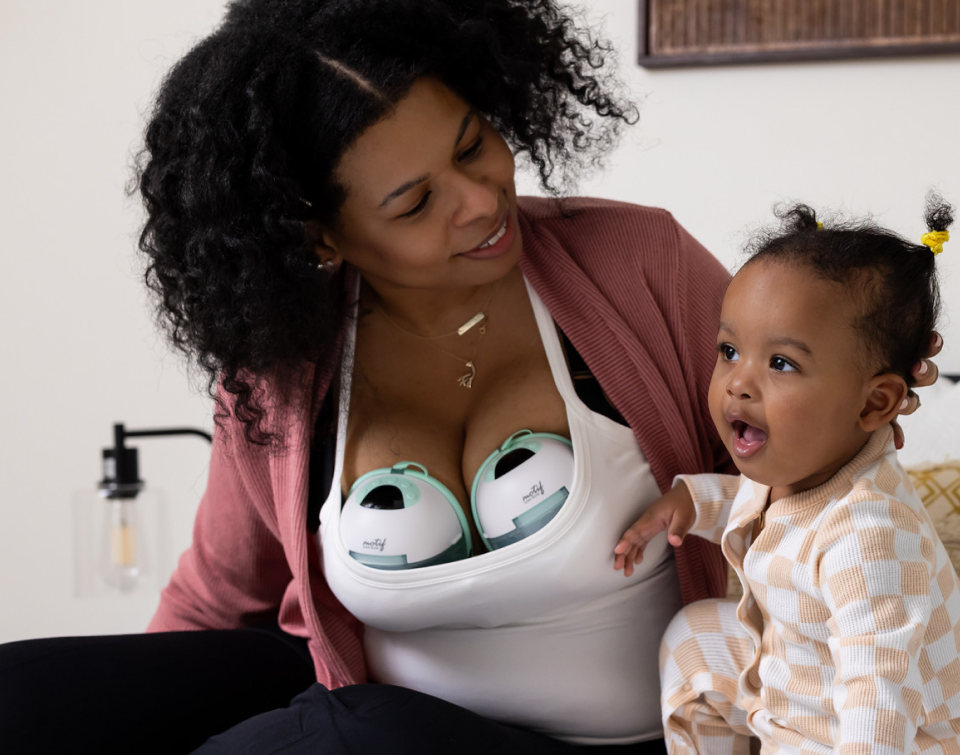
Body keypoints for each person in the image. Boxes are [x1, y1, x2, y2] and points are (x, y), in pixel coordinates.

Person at [0, 1, 937, 753]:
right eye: (415, 202)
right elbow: (218, 597)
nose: (483, 200)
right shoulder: (282, 360)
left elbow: (797, 435)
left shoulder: (636, 261)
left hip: (562, 733)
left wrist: (867, 390)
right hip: (357, 704)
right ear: (320, 237)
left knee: (366, 731)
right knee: (25, 699)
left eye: (472, 143)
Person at [614, 198, 958, 754]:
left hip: (871, 732)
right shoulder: (803, 465)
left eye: (781, 363)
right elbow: (770, 515)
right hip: (801, 683)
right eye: (729, 350)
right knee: (695, 635)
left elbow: (878, 699)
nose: (738, 382)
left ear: (875, 403)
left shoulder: (872, 540)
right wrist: (693, 501)